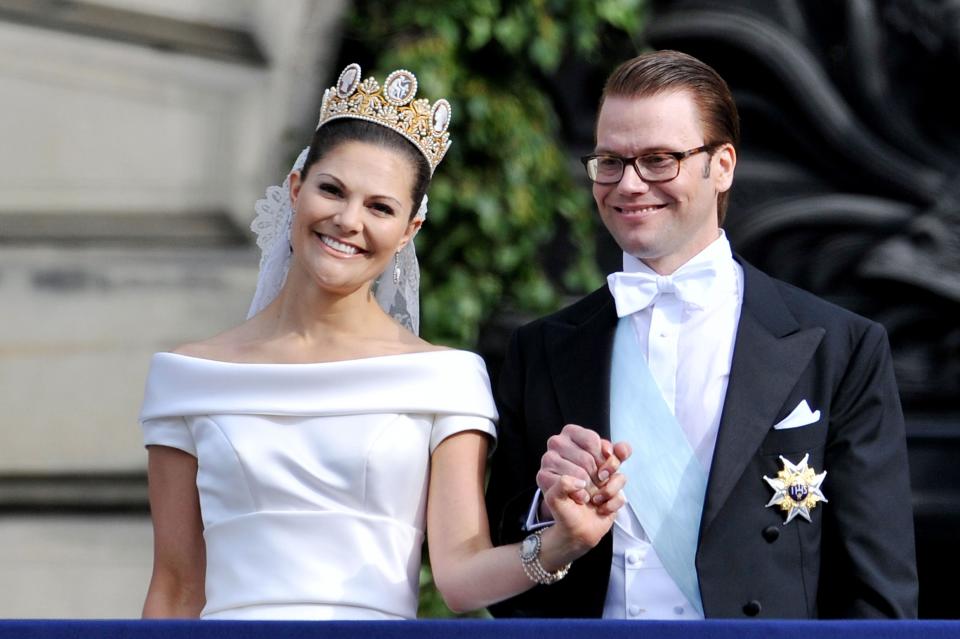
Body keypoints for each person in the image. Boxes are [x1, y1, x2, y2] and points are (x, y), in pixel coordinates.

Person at [139, 64, 626, 620]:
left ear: (409, 229)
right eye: (332, 190)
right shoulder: (188, 375)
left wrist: (563, 542)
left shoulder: (446, 379)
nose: (348, 221)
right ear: (297, 190)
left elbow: (460, 577)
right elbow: (176, 587)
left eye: (380, 207)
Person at [485, 49, 918, 619]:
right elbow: (500, 567)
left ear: (723, 166)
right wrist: (550, 509)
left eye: (660, 159)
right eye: (610, 161)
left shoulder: (840, 347)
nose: (630, 184)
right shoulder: (540, 348)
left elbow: (878, 593)